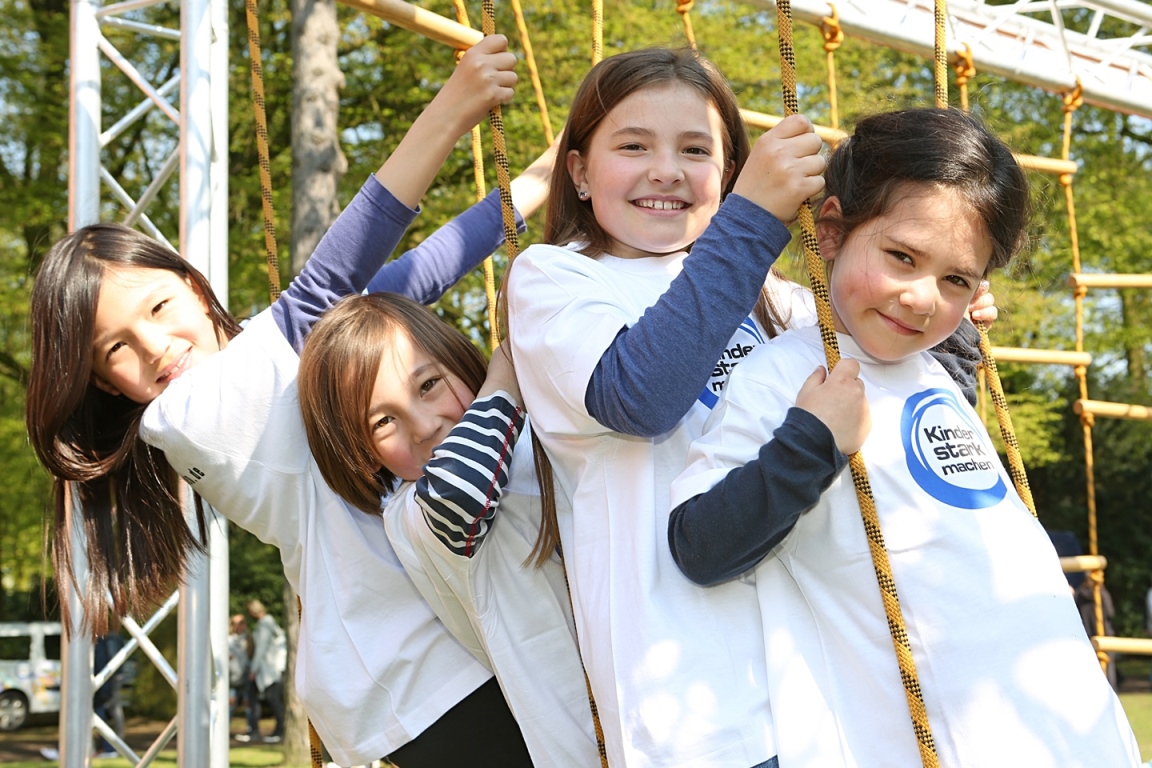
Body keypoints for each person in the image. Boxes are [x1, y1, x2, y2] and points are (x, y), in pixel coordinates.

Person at [26, 35, 553, 768]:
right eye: (114, 349)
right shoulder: (186, 416)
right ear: (109, 385)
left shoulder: (267, 359)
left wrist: (534, 185)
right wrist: (453, 107)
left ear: (192, 284)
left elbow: (403, 283)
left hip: (435, 653)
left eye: (155, 307)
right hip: (413, 676)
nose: (152, 347)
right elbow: (333, 281)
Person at [504, 48, 997, 768]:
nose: (667, 170)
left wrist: (939, 313)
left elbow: (894, 429)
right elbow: (640, 396)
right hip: (695, 700)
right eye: (633, 145)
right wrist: (751, 218)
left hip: (821, 683)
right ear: (577, 171)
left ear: (727, 172)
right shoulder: (555, 279)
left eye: (696, 150)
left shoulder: (786, 305)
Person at [668, 107, 1140, 767]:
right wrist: (811, 442)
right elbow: (698, 544)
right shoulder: (790, 379)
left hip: (1070, 727)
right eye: (901, 257)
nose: (922, 297)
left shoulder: (933, 375)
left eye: (955, 279)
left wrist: (964, 330)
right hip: (946, 740)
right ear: (830, 230)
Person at [297, 293, 599, 766]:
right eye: (383, 422)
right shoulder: (415, 512)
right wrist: (507, 370)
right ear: (359, 452)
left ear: (457, 358)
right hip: (582, 744)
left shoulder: (534, 434)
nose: (423, 426)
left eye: (429, 384)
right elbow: (462, 494)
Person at [241, 600, 286, 742]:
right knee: (268, 699)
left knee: (272, 699)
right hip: (270, 669)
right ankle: (256, 729)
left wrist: (253, 670)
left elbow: (260, 649)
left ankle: (277, 731)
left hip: (268, 670)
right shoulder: (268, 623)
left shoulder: (265, 624)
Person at [92, 631, 126, 759]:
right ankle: (113, 744)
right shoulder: (113, 638)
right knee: (113, 709)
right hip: (111, 678)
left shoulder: (103, 640)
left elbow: (101, 661)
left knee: (106, 710)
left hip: (106, 679)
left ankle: (111, 746)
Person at [227, 614, 250, 728]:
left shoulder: (250, 639)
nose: (239, 626)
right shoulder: (228, 640)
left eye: (242, 622)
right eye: (236, 623)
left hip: (246, 677)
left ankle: (252, 729)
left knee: (248, 704)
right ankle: (225, 731)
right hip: (232, 678)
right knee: (230, 705)